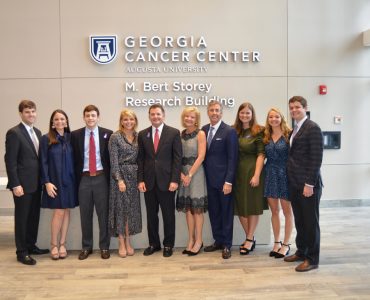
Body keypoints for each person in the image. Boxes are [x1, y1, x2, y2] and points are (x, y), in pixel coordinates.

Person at [4, 100, 49, 265]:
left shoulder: (37, 132)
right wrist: (15, 184)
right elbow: (10, 161)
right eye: (27, 112)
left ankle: (31, 246)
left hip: (36, 184)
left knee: (33, 217)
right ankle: (21, 252)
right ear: (21, 114)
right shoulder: (14, 133)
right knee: (22, 219)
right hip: (22, 185)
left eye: (33, 111)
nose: (31, 115)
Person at [284, 96, 323, 272]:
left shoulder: (312, 128)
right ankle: (302, 251)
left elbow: (316, 159)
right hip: (295, 183)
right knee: (300, 221)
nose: (294, 110)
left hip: (308, 185)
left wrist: (309, 184)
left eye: (297, 107)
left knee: (310, 223)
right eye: (291, 108)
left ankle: (312, 259)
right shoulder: (296, 128)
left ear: (305, 108)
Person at [137, 104, 182, 258]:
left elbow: (177, 159)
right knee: (151, 215)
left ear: (163, 115)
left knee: (168, 215)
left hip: (167, 182)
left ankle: (168, 244)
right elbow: (141, 159)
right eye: (152, 114)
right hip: (149, 182)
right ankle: (153, 244)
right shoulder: (143, 134)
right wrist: (140, 180)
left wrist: (175, 180)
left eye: (158, 114)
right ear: (149, 116)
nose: (155, 117)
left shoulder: (174, 133)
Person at [71, 105, 113, 260]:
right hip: (84, 179)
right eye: (87, 115)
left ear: (98, 117)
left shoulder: (108, 134)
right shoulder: (75, 135)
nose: (90, 118)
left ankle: (104, 247)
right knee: (85, 214)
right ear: (84, 117)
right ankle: (86, 247)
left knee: (103, 214)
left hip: (102, 178)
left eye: (93, 115)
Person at [39, 109, 78, 260]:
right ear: (52, 123)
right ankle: (53, 244)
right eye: (56, 119)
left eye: (62, 119)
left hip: (70, 181)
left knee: (67, 210)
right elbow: (43, 162)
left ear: (66, 122)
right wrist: (47, 182)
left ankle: (63, 243)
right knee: (59, 212)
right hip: (54, 182)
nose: (60, 121)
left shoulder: (71, 138)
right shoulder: (46, 139)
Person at [202, 100, 238, 259]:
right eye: (211, 110)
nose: (214, 113)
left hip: (224, 182)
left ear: (221, 113)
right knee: (214, 212)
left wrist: (229, 181)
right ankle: (218, 240)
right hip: (209, 181)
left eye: (217, 110)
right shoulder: (203, 130)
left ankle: (227, 245)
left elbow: (233, 158)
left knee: (226, 213)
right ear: (208, 112)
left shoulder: (229, 131)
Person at [233, 102, 267, 255]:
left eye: (248, 113)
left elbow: (261, 154)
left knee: (252, 206)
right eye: (242, 113)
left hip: (252, 171)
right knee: (240, 207)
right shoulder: (234, 130)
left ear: (252, 114)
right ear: (238, 114)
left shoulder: (259, 131)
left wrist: (257, 175)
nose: (244, 115)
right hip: (237, 172)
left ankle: (248, 238)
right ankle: (251, 237)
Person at [108, 109, 142, 258]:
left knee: (131, 211)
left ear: (135, 121)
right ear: (121, 121)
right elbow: (113, 161)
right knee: (120, 211)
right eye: (125, 119)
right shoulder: (115, 137)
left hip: (134, 177)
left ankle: (129, 241)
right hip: (119, 178)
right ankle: (121, 242)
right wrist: (119, 180)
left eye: (131, 119)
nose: (128, 122)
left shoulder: (138, 137)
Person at [176, 107, 208, 256]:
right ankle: (190, 239)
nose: (189, 119)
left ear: (196, 120)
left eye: (192, 117)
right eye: (186, 116)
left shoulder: (200, 134)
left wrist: (189, 174)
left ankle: (199, 241)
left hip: (196, 174)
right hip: (182, 174)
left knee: (197, 209)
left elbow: (201, 156)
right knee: (188, 208)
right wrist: (182, 174)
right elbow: (176, 157)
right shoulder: (180, 134)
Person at [263, 108, 293, 258]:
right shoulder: (266, 136)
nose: (273, 119)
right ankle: (276, 242)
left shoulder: (289, 134)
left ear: (281, 118)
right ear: (267, 119)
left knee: (287, 212)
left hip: (285, 175)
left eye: (276, 116)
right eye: (270, 117)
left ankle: (286, 244)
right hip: (270, 174)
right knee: (274, 211)